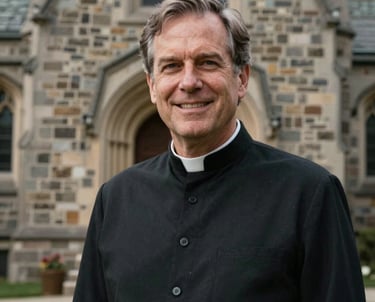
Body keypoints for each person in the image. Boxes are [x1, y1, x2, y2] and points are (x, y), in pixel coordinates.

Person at [73, 0, 366, 301]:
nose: (189, 82)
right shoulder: (115, 199)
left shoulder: (310, 193)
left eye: (207, 62)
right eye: (172, 66)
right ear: (151, 85)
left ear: (241, 79)